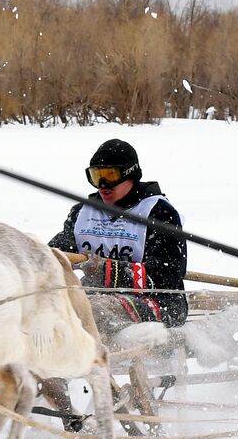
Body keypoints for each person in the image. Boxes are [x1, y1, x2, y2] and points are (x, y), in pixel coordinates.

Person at [49, 138, 188, 338]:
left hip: (161, 302)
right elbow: (60, 250)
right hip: (96, 295)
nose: (102, 185)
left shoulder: (158, 212)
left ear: (130, 174)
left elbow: (168, 274)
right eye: (96, 176)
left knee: (87, 311)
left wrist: (107, 271)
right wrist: (48, 256)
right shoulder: (83, 213)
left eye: (110, 175)